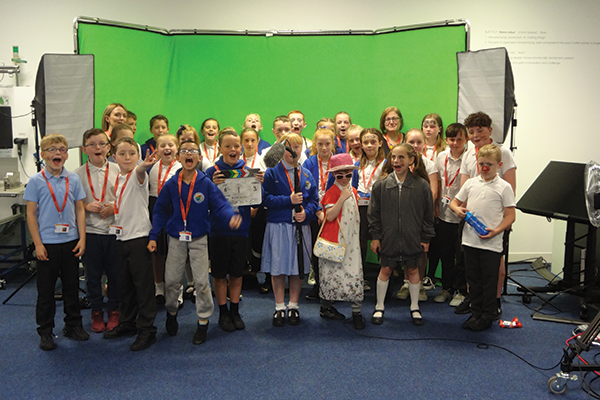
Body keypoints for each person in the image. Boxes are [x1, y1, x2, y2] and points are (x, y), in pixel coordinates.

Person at [148, 140, 240, 344]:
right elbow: (160, 210)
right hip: (176, 237)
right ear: (178, 157)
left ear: (199, 158)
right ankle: (172, 313)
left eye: (193, 151)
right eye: (184, 151)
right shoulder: (172, 184)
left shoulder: (205, 183)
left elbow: (220, 204)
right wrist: (153, 236)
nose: (188, 154)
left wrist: (230, 216)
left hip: (198, 238)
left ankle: (203, 322)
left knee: (201, 282)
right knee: (172, 280)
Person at [25, 133, 88, 351]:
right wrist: (38, 244)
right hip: (47, 244)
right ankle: (45, 330)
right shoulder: (36, 181)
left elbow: (80, 209)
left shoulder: (74, 179)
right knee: (46, 291)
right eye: (51, 150)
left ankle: (73, 325)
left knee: (72, 288)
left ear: (66, 155)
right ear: (43, 155)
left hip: (70, 242)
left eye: (61, 149)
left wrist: (82, 238)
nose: (57, 153)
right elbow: (31, 214)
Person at [455, 111, 517, 317]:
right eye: (471, 132)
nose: (475, 135)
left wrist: (503, 222)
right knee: (471, 265)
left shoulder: (503, 152)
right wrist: (462, 211)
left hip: (495, 220)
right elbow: (464, 186)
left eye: (479, 131)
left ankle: (495, 301)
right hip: (471, 219)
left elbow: (510, 187)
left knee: (495, 265)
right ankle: (473, 299)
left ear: (490, 130)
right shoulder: (468, 154)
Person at [368, 143, 434, 326]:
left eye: (401, 157)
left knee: (413, 270)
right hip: (388, 238)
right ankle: (379, 306)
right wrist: (376, 237)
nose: (396, 161)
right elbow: (373, 214)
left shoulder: (422, 186)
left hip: (412, 238)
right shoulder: (381, 185)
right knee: (385, 269)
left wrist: (426, 238)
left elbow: (428, 215)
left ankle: (414, 307)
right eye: (394, 157)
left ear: (411, 160)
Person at [103, 137, 158, 351]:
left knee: (143, 287)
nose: (127, 157)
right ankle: (127, 322)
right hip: (121, 238)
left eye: (132, 153)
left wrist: (145, 164)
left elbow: (141, 171)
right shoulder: (119, 178)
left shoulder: (137, 175)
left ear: (138, 157)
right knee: (124, 285)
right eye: (122, 153)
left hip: (138, 238)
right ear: (114, 157)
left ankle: (147, 329)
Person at [206, 129, 264, 332]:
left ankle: (235, 310)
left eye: (236, 146)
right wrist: (212, 185)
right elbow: (203, 200)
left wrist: (259, 185)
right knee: (219, 274)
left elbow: (258, 202)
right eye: (228, 146)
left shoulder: (248, 171)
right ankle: (223, 312)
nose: (233, 149)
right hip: (218, 231)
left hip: (241, 231)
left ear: (241, 148)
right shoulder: (211, 172)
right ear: (220, 148)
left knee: (237, 273)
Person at [262, 133, 319, 326]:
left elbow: (314, 201)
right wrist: (289, 200)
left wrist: (306, 213)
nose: (293, 151)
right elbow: (266, 199)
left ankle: (293, 305)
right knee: (278, 268)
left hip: (300, 227)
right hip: (278, 226)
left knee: (297, 268)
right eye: (289, 147)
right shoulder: (272, 172)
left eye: (297, 147)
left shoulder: (306, 174)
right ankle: (279, 306)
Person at [74, 128, 120, 333]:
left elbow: (128, 198)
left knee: (115, 274)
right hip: (90, 232)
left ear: (109, 148)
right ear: (84, 149)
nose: (97, 147)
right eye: (92, 144)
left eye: (102, 144)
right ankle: (96, 311)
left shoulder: (119, 170)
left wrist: (114, 207)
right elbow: (72, 204)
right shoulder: (76, 175)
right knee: (92, 276)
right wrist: (85, 206)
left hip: (114, 231)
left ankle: (114, 310)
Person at [317, 153, 365, 329]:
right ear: (334, 176)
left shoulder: (353, 191)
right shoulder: (332, 192)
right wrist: (341, 198)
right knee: (331, 274)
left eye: (348, 175)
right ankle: (326, 307)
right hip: (335, 241)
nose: (344, 179)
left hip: (351, 242)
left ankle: (356, 311)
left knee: (354, 273)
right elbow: (329, 216)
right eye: (340, 176)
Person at [430, 123, 468, 304]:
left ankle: (461, 290)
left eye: (459, 139)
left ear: (466, 139)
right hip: (444, 213)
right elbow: (438, 181)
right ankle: (447, 288)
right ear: (446, 140)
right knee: (445, 253)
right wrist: (436, 204)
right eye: (452, 139)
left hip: (462, 213)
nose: (455, 143)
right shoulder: (441, 156)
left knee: (461, 255)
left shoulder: (469, 158)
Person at [401, 128, 439, 300]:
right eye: (411, 142)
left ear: (424, 144)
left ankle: (420, 284)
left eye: (419, 142)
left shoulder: (429, 164)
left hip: (421, 215)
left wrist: (419, 209)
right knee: (404, 248)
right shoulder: (400, 163)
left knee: (421, 250)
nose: (415, 145)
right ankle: (406, 282)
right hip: (402, 213)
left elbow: (433, 193)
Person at [303, 128, 337, 300]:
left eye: (327, 144)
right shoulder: (308, 163)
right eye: (320, 144)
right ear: (315, 145)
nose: (324, 148)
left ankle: (333, 285)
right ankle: (318, 285)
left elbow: (345, 186)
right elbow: (306, 190)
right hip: (315, 213)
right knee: (316, 250)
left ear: (333, 144)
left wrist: (329, 210)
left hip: (334, 212)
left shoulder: (338, 162)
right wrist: (317, 211)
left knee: (333, 250)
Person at [148, 134, 181, 306]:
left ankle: (177, 290)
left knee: (176, 253)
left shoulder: (181, 167)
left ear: (177, 148)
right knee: (158, 252)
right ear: (157, 150)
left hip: (176, 210)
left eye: (170, 145)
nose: (167, 148)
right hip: (156, 208)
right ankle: (158, 286)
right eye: (162, 146)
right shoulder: (152, 167)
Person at [356, 128, 386, 271]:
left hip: (379, 209)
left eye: (373, 142)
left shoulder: (386, 164)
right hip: (360, 208)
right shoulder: (357, 164)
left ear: (380, 143)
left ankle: (385, 275)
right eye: (365, 142)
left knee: (380, 241)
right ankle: (360, 273)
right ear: (361, 145)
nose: (369, 145)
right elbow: (353, 184)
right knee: (360, 241)